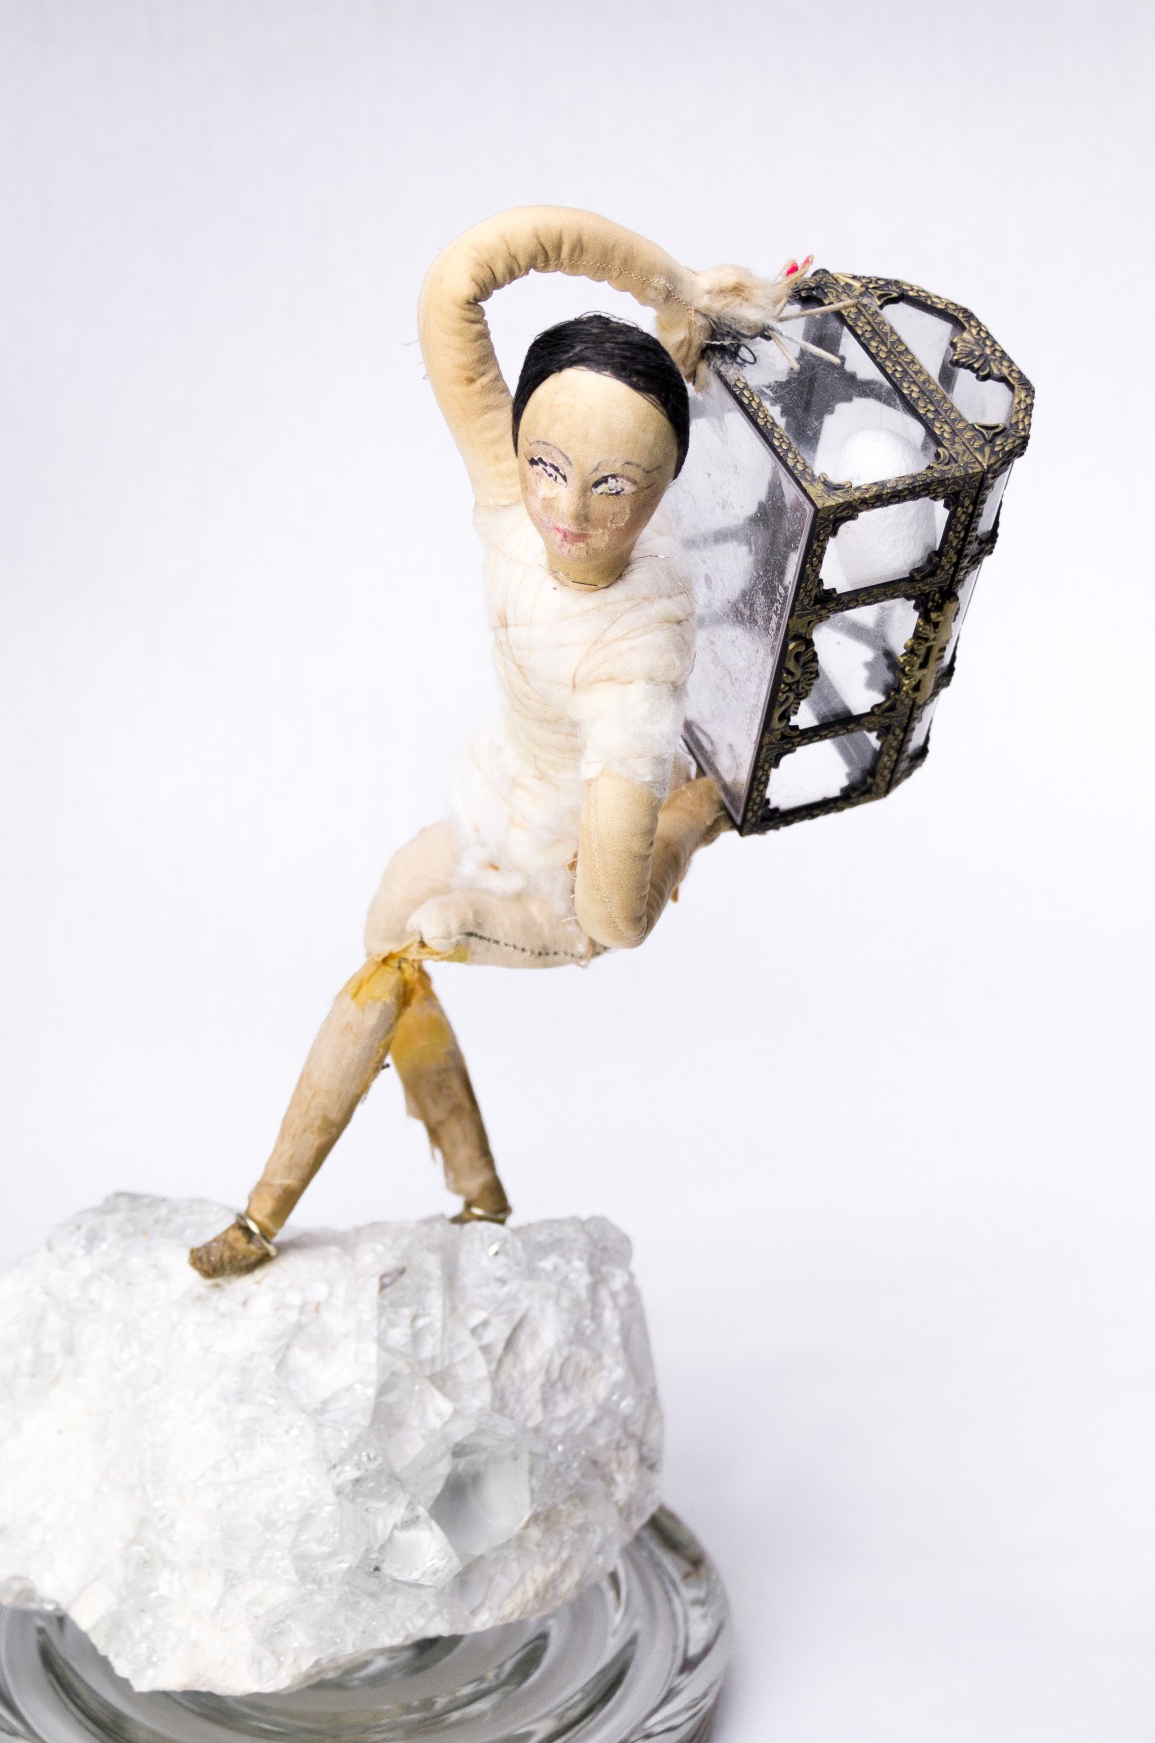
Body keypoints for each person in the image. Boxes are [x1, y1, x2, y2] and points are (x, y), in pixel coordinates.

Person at [190, 207, 798, 1279]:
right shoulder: (509, 502)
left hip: (566, 890)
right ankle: (478, 1194)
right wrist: (673, 286)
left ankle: (261, 1218)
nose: (569, 509)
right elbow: (460, 281)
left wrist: (692, 818)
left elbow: (616, 920)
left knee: (404, 947)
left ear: (659, 488)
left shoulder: (634, 662)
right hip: (491, 804)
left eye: (614, 486)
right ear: (518, 443)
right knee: (384, 930)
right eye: (548, 464)